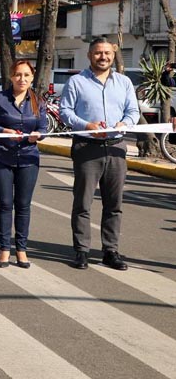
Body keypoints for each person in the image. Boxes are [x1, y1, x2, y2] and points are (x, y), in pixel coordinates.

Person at [60, 37, 139, 271]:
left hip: (116, 147)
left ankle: (110, 251)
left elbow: (132, 110)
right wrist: (86, 126)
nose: (103, 57)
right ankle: (81, 251)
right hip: (87, 147)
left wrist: (124, 123)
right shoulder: (76, 82)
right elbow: (65, 111)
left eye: (107, 53)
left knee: (114, 203)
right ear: (89, 55)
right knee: (83, 202)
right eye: (98, 53)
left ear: (113, 55)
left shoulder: (124, 83)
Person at [0, 60, 47, 269]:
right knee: (5, 204)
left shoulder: (38, 101)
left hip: (28, 158)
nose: (22, 79)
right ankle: (4, 249)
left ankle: (21, 250)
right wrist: (3, 131)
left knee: (24, 205)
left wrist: (38, 136)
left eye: (26, 75)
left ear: (32, 77)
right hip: (1, 157)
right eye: (18, 74)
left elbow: (43, 127)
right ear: (11, 76)